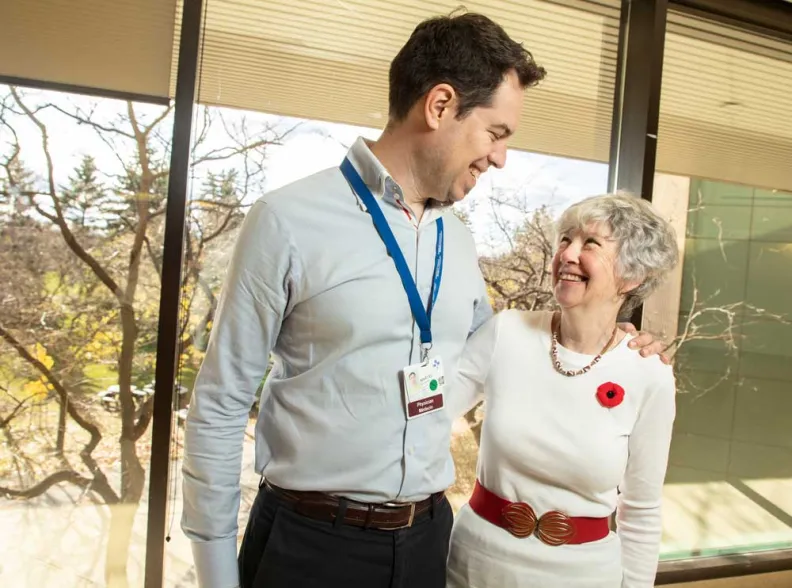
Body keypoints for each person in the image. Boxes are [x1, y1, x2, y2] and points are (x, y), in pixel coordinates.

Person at [181, 11, 664, 588]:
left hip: (430, 542)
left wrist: (622, 348)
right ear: (440, 106)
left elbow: (519, 355)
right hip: (312, 545)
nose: (501, 157)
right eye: (497, 133)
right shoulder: (287, 220)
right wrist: (214, 573)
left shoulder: (457, 239)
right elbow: (220, 403)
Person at [446, 193, 679, 588]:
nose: (568, 254)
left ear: (632, 275)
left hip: (584, 576)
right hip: (476, 563)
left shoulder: (648, 374)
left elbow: (640, 510)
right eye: (565, 240)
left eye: (590, 244)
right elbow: (428, 412)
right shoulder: (507, 332)